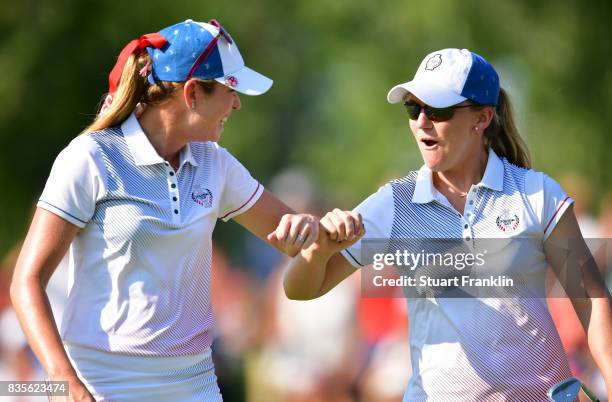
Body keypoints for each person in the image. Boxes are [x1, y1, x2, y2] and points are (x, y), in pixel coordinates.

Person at [10, 19, 321, 402]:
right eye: (230, 90)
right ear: (192, 94)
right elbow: (26, 281)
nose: (237, 103)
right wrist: (64, 381)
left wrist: (308, 227)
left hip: (196, 385)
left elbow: (294, 238)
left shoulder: (215, 164)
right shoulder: (91, 158)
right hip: (102, 385)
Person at [282, 48, 612, 401]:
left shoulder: (537, 193)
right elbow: (300, 288)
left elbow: (591, 300)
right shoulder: (395, 203)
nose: (422, 120)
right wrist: (319, 251)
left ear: (482, 118)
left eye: (438, 109)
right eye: (413, 108)